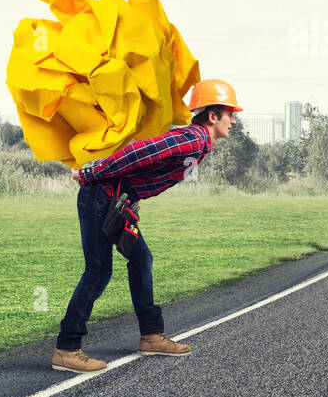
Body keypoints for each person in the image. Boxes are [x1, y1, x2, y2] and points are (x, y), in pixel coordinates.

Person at [51, 79, 243, 373]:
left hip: (116, 201)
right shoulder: (193, 138)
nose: (234, 119)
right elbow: (139, 152)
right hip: (100, 195)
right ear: (213, 116)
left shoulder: (199, 144)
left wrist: (132, 201)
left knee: (141, 259)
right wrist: (92, 173)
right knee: (98, 271)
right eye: (230, 113)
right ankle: (67, 348)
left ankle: (151, 336)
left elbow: (148, 171)